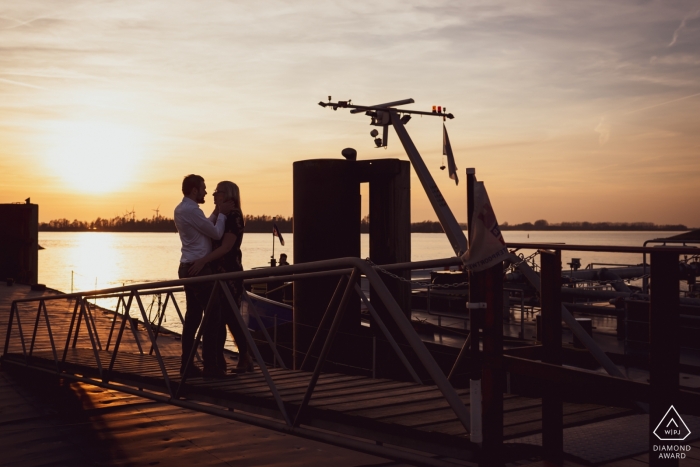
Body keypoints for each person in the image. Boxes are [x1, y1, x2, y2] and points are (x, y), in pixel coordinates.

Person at [188, 181, 253, 373]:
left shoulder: (234, 216)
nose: (214, 195)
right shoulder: (223, 215)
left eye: (218, 192)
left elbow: (226, 247)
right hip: (217, 272)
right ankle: (219, 360)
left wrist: (202, 261)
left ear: (228, 195)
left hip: (229, 272)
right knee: (218, 316)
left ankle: (243, 357)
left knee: (228, 316)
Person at [174, 174, 235, 378]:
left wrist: (217, 212)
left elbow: (204, 226)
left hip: (186, 267)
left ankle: (187, 365)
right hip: (199, 269)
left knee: (192, 318)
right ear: (194, 190)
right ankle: (211, 367)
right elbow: (216, 234)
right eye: (203, 189)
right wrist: (223, 215)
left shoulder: (183, 209)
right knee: (213, 316)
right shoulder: (191, 210)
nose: (206, 192)